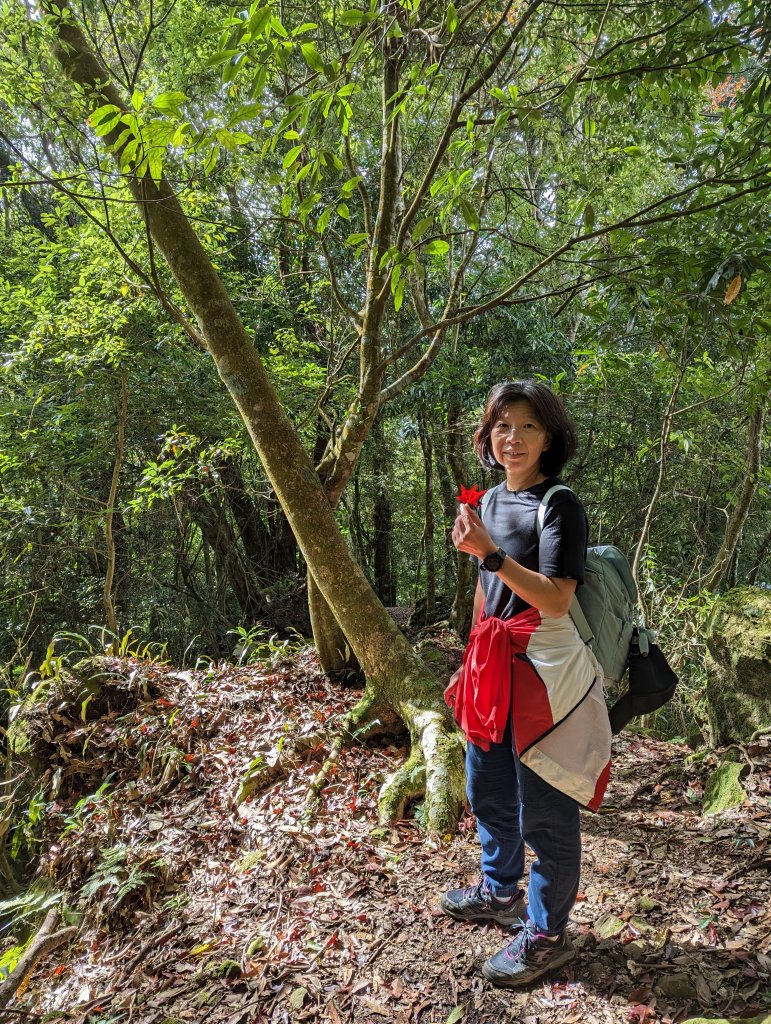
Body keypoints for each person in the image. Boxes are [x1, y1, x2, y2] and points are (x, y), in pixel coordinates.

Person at [440, 379, 612, 987]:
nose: (513, 437)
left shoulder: (559, 504)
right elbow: (491, 595)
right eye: (503, 425)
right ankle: (499, 890)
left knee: (547, 810)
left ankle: (544, 935)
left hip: (546, 677)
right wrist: (469, 657)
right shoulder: (487, 500)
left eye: (528, 427)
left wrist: (489, 555)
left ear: (550, 439)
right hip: (491, 667)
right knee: (485, 786)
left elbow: (557, 600)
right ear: (488, 435)